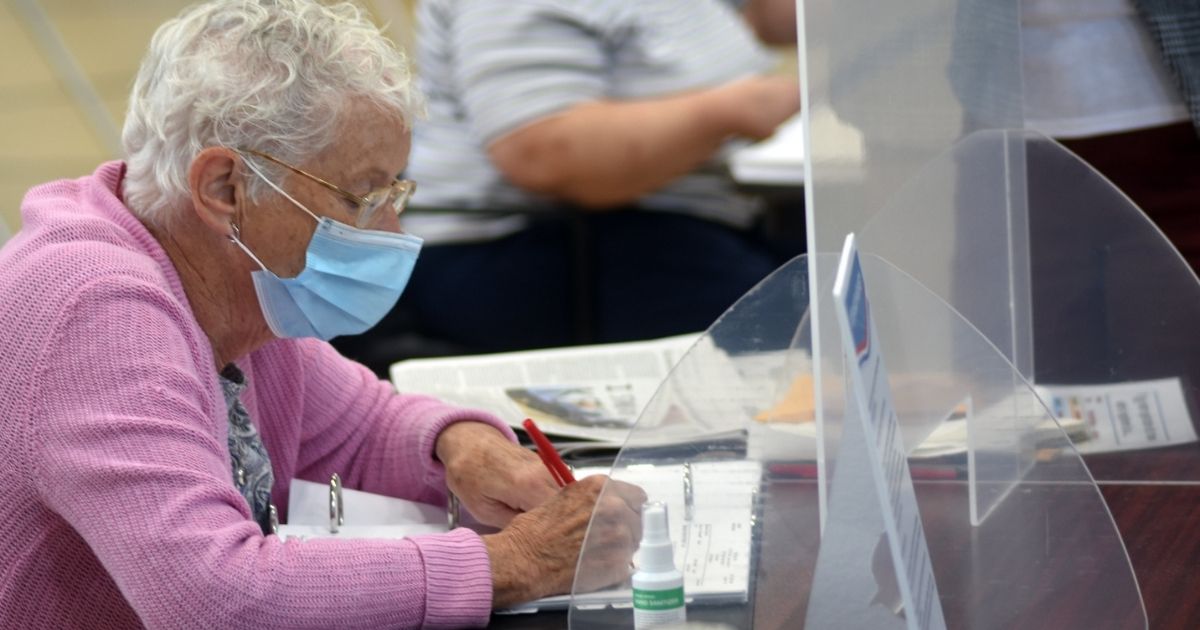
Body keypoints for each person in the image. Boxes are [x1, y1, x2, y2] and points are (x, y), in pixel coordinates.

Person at [0, 1, 645, 627]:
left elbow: (357, 430)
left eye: (395, 192)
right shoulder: (92, 308)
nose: (391, 229)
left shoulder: (233, 287)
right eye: (363, 196)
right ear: (225, 188)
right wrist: (516, 560)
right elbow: (219, 599)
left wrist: (464, 449)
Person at [333, 0, 803, 372]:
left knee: (833, 272)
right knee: (807, 333)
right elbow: (543, 152)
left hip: (667, 219)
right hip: (543, 246)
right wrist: (735, 108)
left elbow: (771, 17)